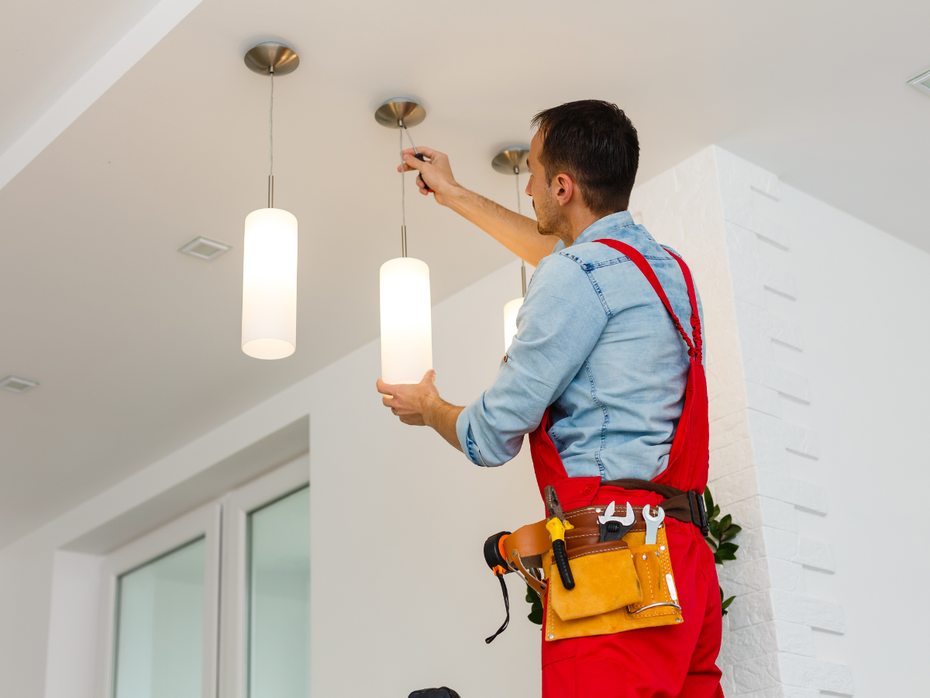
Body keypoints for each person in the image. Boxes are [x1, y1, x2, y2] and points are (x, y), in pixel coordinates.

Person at [376, 100, 724, 698]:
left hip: (615, 562)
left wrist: (430, 407)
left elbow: (488, 438)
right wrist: (455, 193)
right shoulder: (664, 269)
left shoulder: (576, 278)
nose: (528, 185)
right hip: (685, 562)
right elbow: (571, 265)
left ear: (562, 187)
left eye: (533, 173)